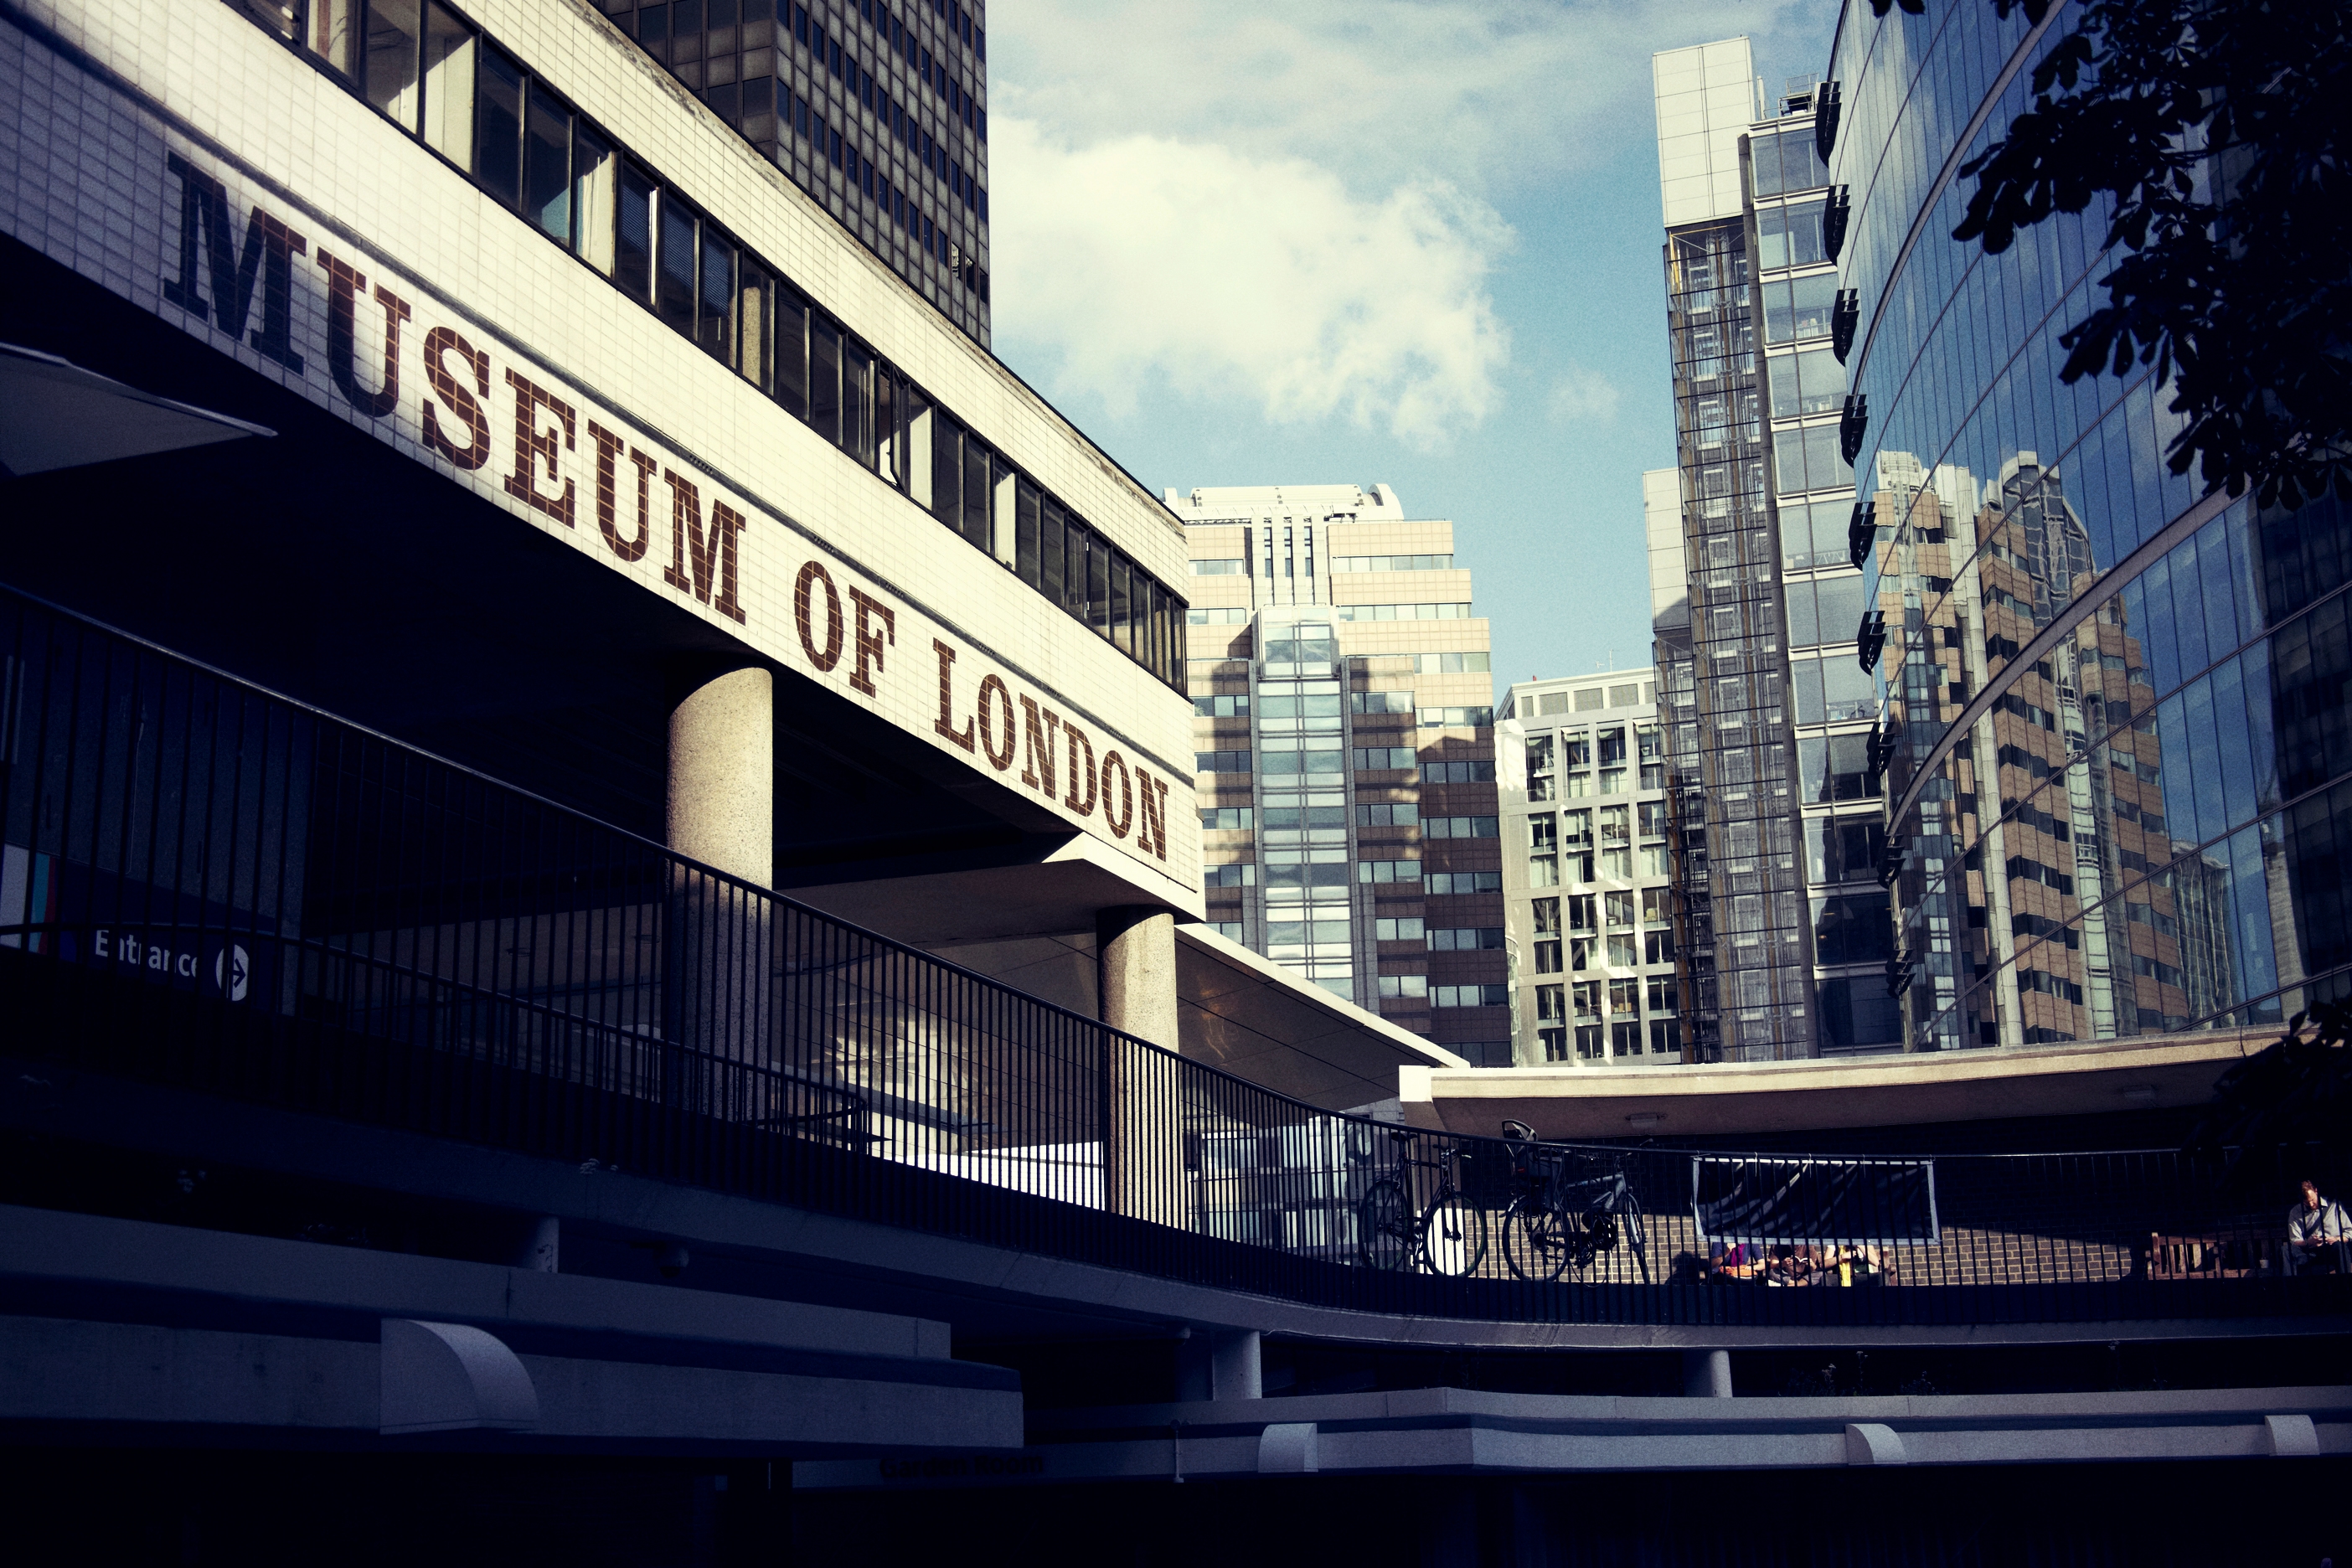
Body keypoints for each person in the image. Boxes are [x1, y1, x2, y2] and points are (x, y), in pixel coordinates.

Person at [2286, 1179, 2351, 1275]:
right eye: (2307, 1203)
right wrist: (2308, 1242)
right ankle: (2289, 1285)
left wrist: (2336, 1239)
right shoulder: (2295, 1212)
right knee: (2286, 1250)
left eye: (2312, 1200)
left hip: (2331, 1250)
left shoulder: (2334, 1205)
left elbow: (2350, 1231)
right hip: (2309, 1252)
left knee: (2340, 1246)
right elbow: (2294, 1241)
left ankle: (2346, 1283)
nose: (2311, 1204)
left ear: (2316, 1191)